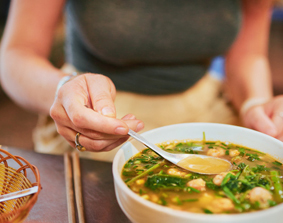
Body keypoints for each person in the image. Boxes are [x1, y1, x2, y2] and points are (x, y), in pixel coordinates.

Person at [0, 0, 282, 162]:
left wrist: (255, 102)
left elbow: (247, 55)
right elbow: (17, 53)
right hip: (97, 114)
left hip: (205, 108)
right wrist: (63, 89)